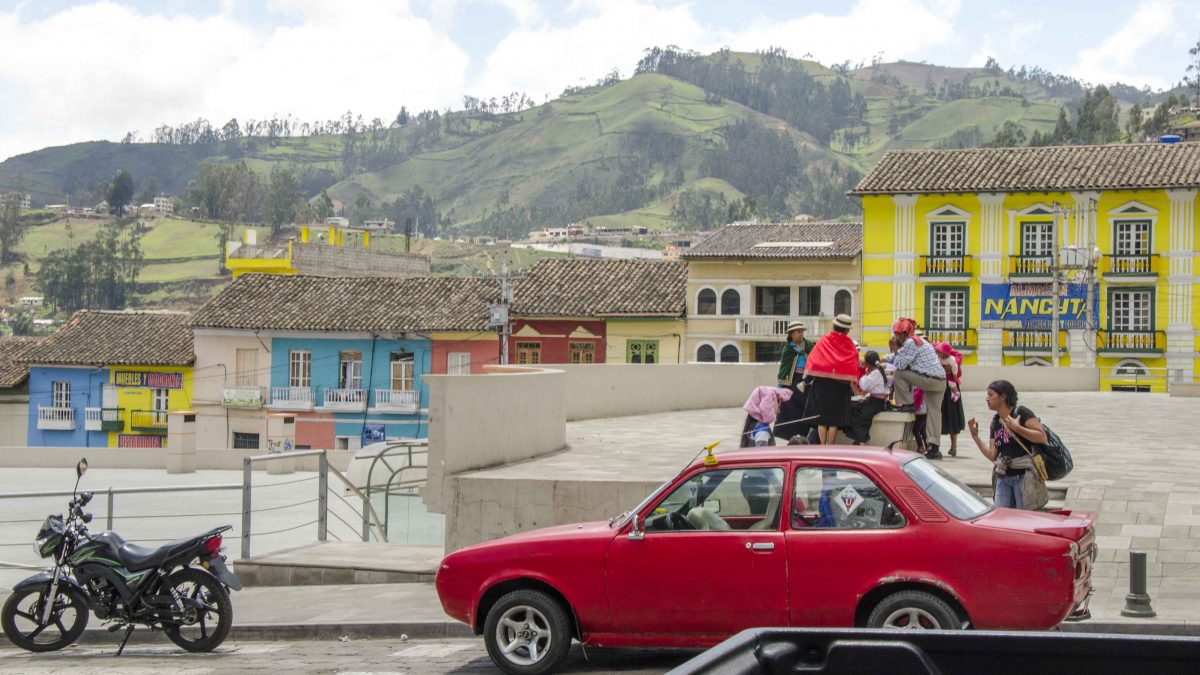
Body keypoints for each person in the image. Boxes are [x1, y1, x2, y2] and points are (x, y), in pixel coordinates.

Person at [966, 380, 1048, 509]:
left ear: (1003, 397)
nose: (987, 399)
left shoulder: (1021, 413)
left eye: (990, 395)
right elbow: (993, 455)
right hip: (1003, 476)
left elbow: (1042, 437)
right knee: (1001, 518)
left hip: (1024, 477)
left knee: (1023, 519)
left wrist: (1017, 428)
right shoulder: (996, 421)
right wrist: (975, 437)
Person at [889, 317, 948, 459]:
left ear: (905, 333)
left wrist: (896, 349)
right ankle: (934, 448)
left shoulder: (910, 342)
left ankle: (907, 404)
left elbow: (900, 365)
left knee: (899, 374)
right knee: (934, 413)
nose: (897, 336)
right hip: (940, 380)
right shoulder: (920, 341)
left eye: (898, 334)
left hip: (929, 379)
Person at [802, 314, 861, 444]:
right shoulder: (850, 345)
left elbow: (813, 360)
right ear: (847, 330)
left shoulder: (824, 340)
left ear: (834, 326)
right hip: (840, 386)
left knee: (821, 419)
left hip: (821, 385)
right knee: (834, 420)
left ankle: (823, 445)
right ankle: (830, 445)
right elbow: (853, 364)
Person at [774, 321, 815, 442]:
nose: (800, 334)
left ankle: (803, 437)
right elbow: (784, 368)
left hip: (806, 382)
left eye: (802, 331)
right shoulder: (788, 349)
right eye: (798, 332)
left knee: (805, 409)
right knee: (790, 410)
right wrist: (780, 390)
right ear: (791, 334)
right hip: (792, 382)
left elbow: (815, 360)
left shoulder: (808, 345)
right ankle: (789, 438)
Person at [846, 351, 891, 445]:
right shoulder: (877, 371)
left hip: (876, 402)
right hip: (877, 400)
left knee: (860, 415)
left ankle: (861, 439)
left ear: (868, 364)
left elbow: (864, 386)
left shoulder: (875, 373)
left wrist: (864, 373)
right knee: (854, 406)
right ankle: (858, 438)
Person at [936, 342, 966, 457]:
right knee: (938, 416)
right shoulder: (934, 351)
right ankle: (935, 444)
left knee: (952, 416)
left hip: (950, 388)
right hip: (940, 385)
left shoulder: (954, 356)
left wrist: (952, 373)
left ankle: (953, 446)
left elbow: (955, 366)